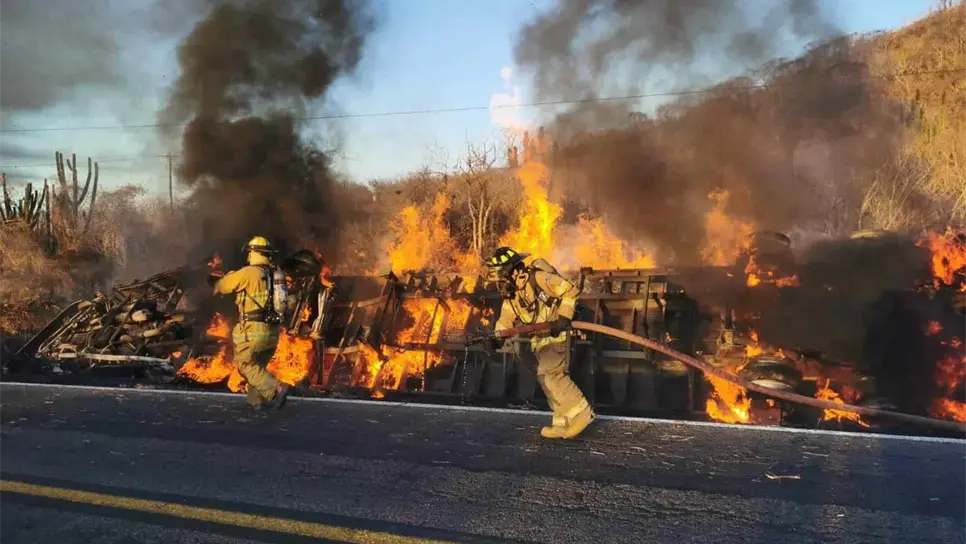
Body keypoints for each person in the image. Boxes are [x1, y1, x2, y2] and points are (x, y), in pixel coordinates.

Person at [486, 246, 595, 439]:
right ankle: (562, 423)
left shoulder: (538, 278)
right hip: (540, 341)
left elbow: (570, 290)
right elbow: (506, 318)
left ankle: (582, 413)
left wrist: (563, 317)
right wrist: (497, 337)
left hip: (557, 335)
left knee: (552, 375)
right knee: (545, 379)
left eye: (500, 273)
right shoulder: (513, 295)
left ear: (514, 270)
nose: (498, 279)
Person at [211, 236, 291, 410]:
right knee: (258, 367)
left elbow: (223, 286)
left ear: (253, 253)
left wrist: (222, 280)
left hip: (253, 330)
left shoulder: (249, 272)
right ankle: (255, 403)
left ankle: (277, 388)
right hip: (273, 332)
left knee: (245, 364)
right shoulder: (275, 272)